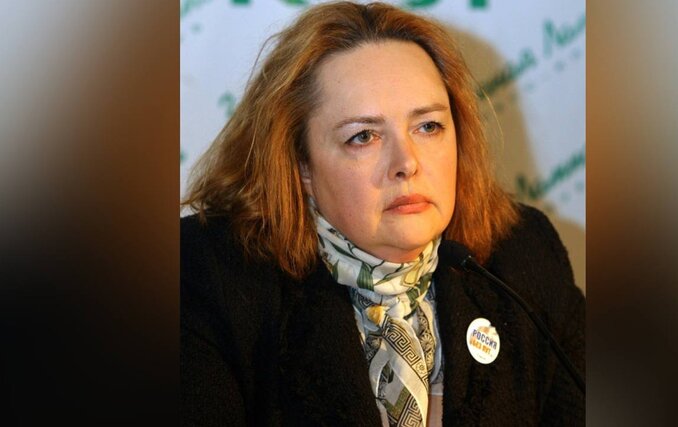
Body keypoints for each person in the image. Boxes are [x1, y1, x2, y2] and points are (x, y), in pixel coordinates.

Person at [181, 2, 585, 426]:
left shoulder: (523, 256)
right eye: (363, 136)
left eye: (428, 127)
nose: (406, 163)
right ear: (301, 164)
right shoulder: (207, 278)